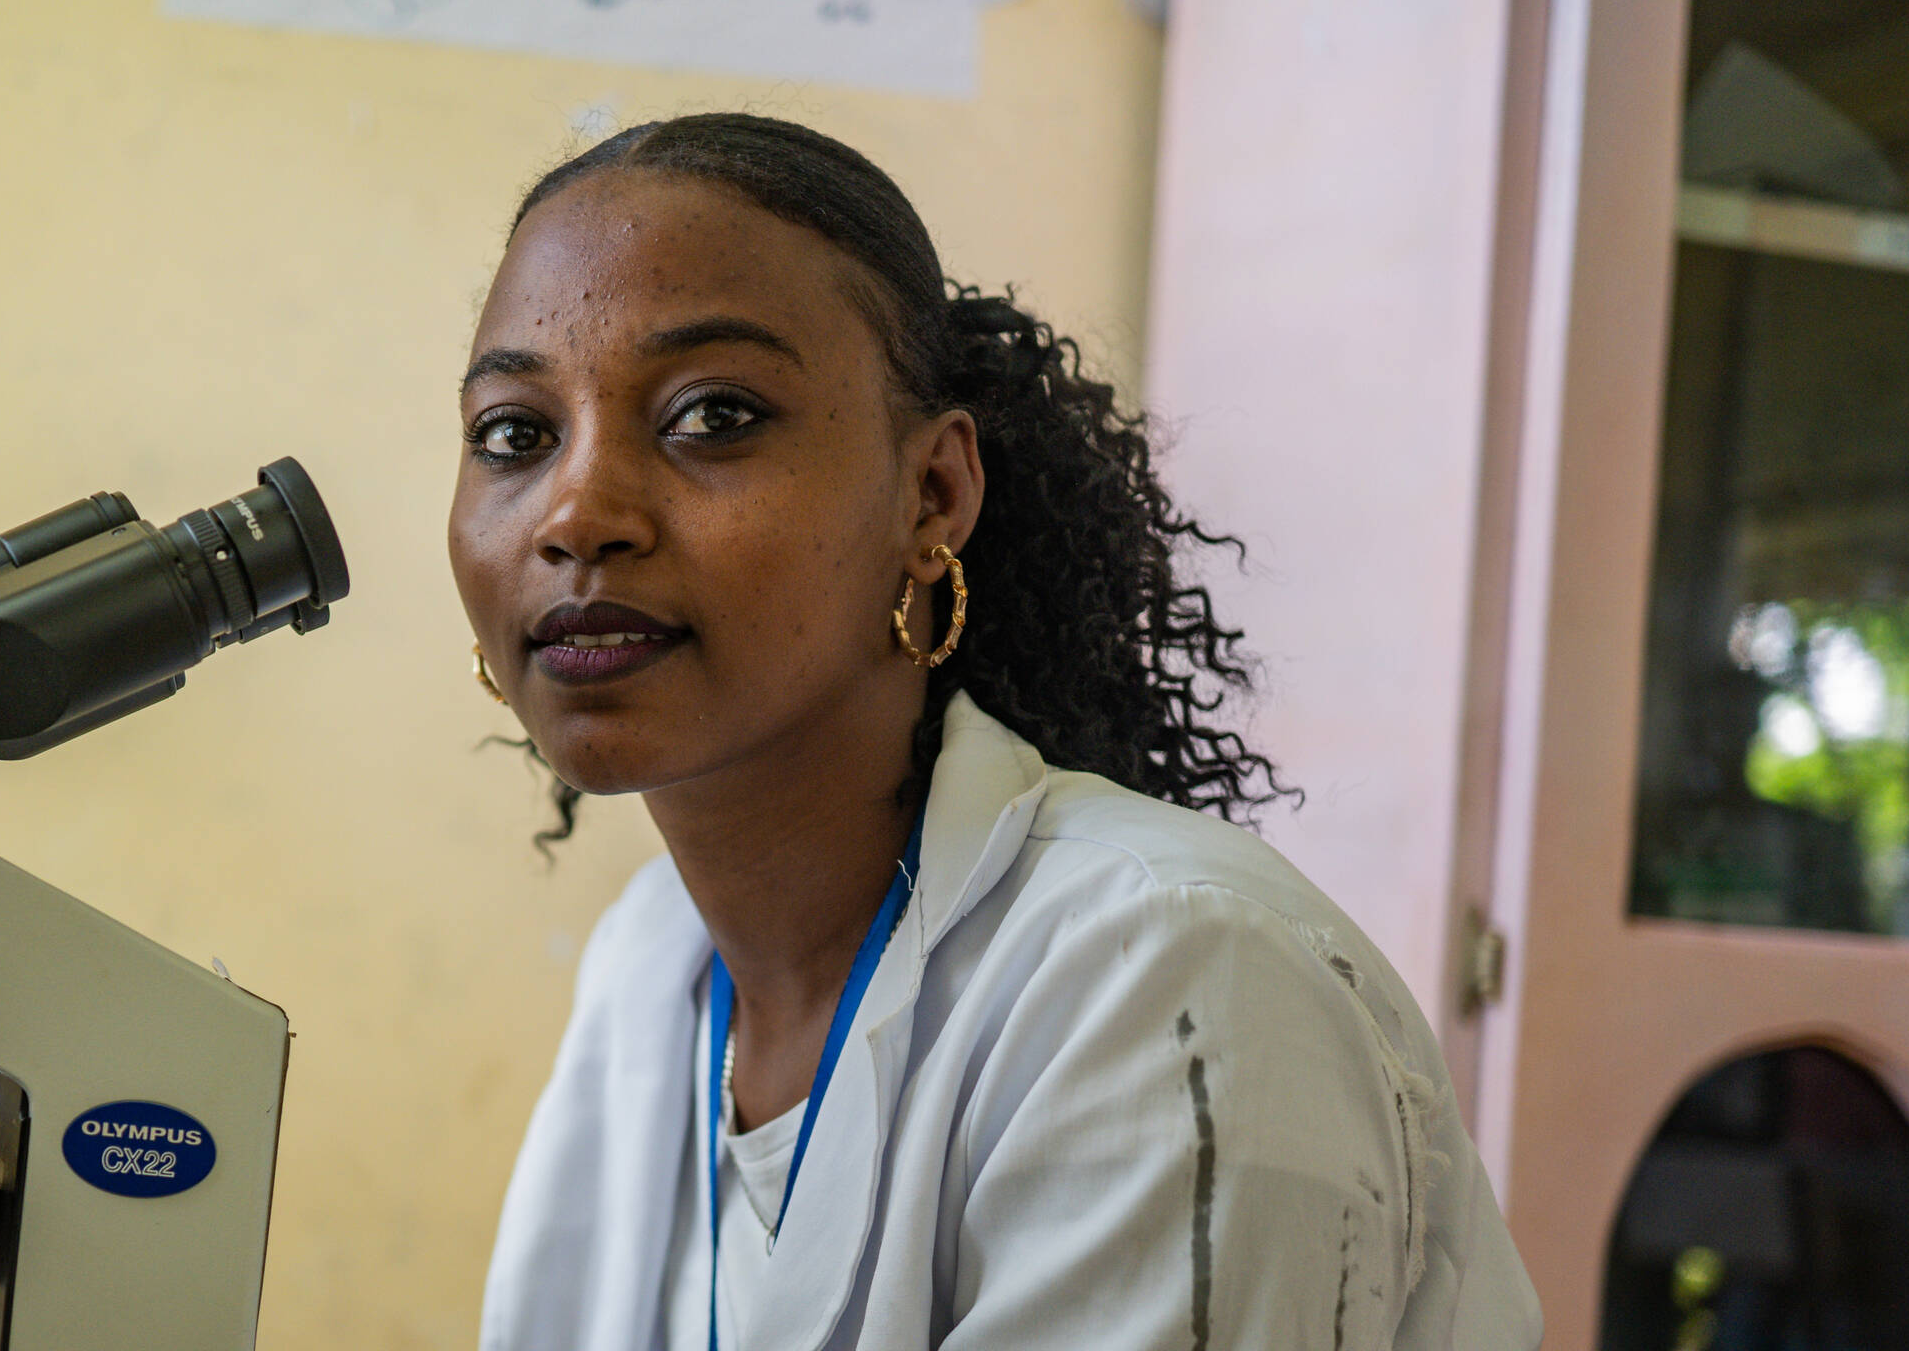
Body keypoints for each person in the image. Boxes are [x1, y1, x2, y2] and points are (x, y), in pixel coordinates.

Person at [450, 114, 1539, 1351]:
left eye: (712, 415)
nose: (577, 512)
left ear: (933, 494)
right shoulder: (653, 967)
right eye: (513, 434)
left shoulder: (1169, 977)